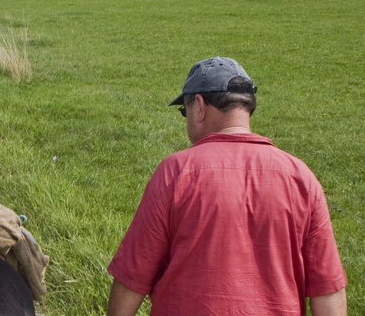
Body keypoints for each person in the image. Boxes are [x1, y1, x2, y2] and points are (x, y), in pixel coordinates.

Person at [107, 57, 347, 316]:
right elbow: (327, 288)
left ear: (199, 106)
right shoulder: (301, 177)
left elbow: (132, 276)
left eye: (183, 112)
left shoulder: (176, 173)